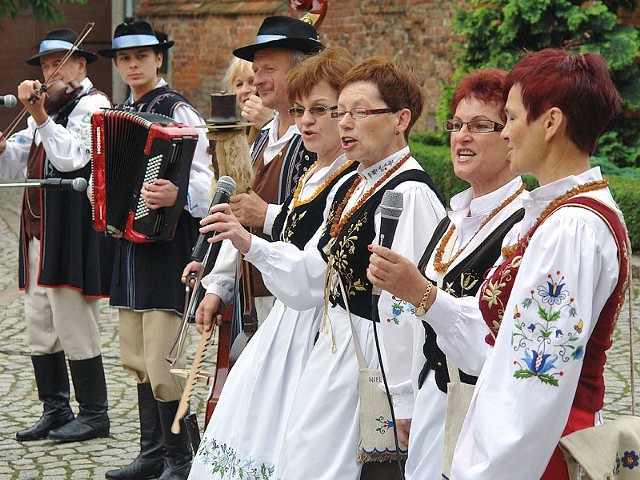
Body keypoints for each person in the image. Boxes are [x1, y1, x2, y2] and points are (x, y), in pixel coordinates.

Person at [370, 48, 629, 479]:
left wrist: (480, 470)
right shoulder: (561, 214)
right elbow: (501, 337)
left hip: (540, 455)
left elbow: (533, 382)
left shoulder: (570, 229)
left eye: (510, 118)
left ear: (550, 123)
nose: (505, 133)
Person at [216, 57, 445, 479]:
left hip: (371, 357)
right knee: (302, 456)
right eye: (341, 112)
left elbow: (404, 309)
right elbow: (313, 274)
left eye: (360, 112)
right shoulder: (356, 185)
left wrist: (403, 398)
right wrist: (249, 244)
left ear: (401, 120)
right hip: (335, 344)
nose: (346, 124)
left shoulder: (408, 193)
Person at [188, 46, 358, 480]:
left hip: (319, 324)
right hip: (284, 314)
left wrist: (252, 235)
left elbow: (312, 261)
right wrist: (218, 279)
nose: (307, 120)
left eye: (321, 110)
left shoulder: (350, 178)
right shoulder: (302, 164)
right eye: (301, 110)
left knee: (292, 438)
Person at [365, 68, 526, 479]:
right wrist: (407, 397)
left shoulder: (523, 225)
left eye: (479, 126)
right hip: (434, 395)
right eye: (456, 125)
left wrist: (419, 291)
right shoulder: (455, 218)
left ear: (510, 136)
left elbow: (496, 342)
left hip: (477, 409)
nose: (461, 137)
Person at [96, 21, 213, 480]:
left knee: (164, 359)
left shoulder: (178, 109)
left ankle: (183, 458)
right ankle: (153, 454)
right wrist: (98, 193)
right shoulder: (122, 111)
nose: (133, 64)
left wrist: (177, 195)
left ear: (158, 58)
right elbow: (109, 170)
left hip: (168, 248)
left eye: (142, 56)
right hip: (130, 248)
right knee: (137, 356)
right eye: (125, 58)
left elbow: (209, 178)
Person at [0, 28, 113, 443]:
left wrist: (40, 115)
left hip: (70, 231)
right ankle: (55, 408)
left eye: (60, 62)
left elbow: (70, 159)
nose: (50, 72)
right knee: (38, 323)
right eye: (45, 65)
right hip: (35, 233)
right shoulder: (45, 111)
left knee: (73, 321)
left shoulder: (93, 106)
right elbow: (16, 170)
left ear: (82, 66)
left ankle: (95, 413)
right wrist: (5, 151)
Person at [192, 15, 321, 331]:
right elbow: (235, 219)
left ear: (301, 72)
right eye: (256, 70)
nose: (258, 79)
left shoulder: (320, 141)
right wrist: (218, 287)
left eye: (269, 70)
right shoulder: (262, 136)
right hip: (250, 299)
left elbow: (326, 224)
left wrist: (266, 214)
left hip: (297, 306)